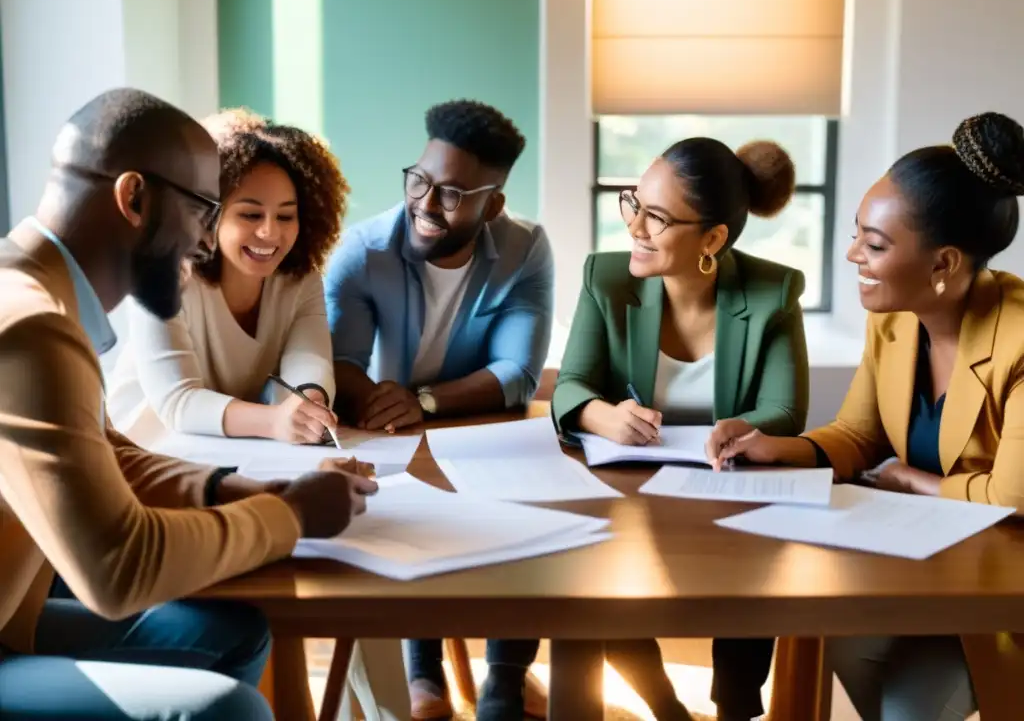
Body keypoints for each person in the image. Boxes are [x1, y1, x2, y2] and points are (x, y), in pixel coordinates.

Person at [0, 88, 377, 721]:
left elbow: (111, 455)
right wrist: (289, 519)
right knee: (229, 709)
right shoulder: (31, 325)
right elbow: (118, 569)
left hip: (17, 607)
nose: (208, 240)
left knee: (234, 631)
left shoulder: (43, 295)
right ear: (134, 198)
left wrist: (251, 489)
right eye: (206, 208)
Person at [715, 111, 1024, 720]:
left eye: (875, 244)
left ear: (944, 265)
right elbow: (859, 435)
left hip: (998, 587)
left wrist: (915, 481)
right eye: (858, 232)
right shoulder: (893, 316)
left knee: (908, 708)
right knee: (843, 642)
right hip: (917, 567)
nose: (854, 253)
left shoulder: (1020, 339)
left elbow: (1010, 498)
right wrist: (776, 446)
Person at [552, 137, 810, 721]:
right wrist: (603, 415)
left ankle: (736, 707)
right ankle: (665, 706)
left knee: (752, 575)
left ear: (713, 239)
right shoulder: (607, 279)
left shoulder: (773, 292)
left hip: (728, 496)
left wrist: (739, 426)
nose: (635, 227)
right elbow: (570, 386)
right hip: (630, 494)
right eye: (633, 203)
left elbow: (786, 412)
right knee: (600, 584)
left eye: (658, 217)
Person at [325, 99, 554, 720]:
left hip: (479, 429)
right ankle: (421, 671)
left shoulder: (525, 249)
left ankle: (505, 678)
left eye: (451, 194)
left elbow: (518, 374)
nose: (424, 204)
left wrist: (425, 400)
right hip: (390, 429)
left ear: (492, 204)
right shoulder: (362, 251)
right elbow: (338, 364)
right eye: (419, 180)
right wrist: (386, 403)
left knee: (530, 501)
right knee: (406, 500)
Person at [107, 107, 345, 443]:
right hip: (143, 446)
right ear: (207, 214)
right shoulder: (161, 277)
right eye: (250, 214)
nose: (270, 232)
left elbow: (309, 356)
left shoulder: (301, 279)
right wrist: (275, 421)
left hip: (227, 448)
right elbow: (177, 401)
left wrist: (309, 403)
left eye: (286, 216)